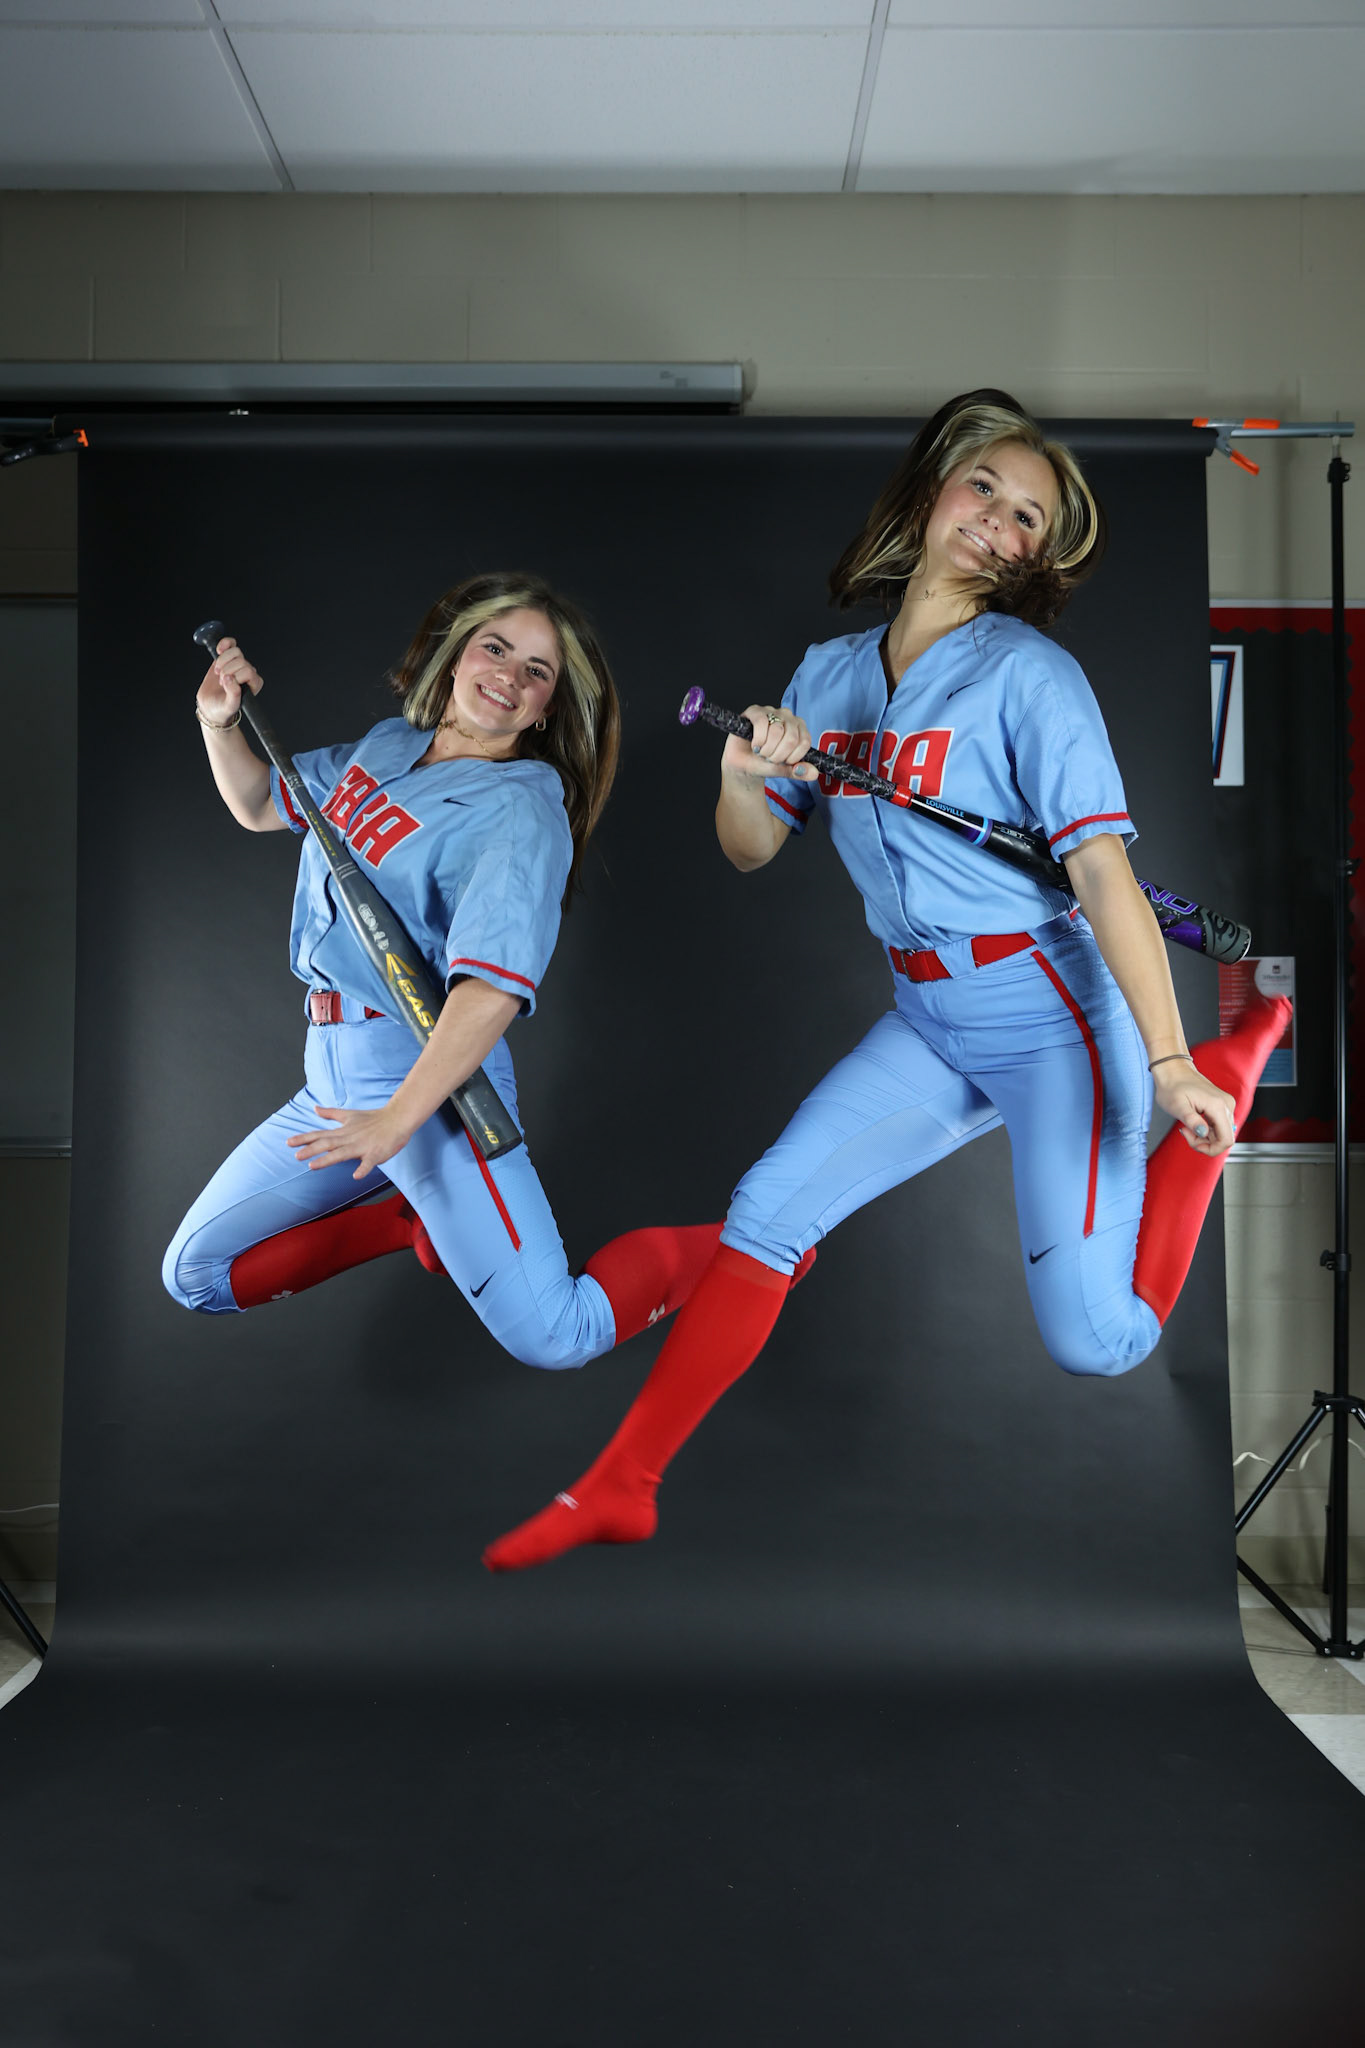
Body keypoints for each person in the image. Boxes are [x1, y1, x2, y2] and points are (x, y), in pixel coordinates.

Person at [483, 390, 1289, 1572]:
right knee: (767, 1208)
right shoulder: (831, 674)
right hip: (927, 1014)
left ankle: (1216, 1089)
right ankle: (622, 1480)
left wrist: (1168, 1060)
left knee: (1100, 1339)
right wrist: (746, 774)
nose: (1000, 524)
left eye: (1028, 519)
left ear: (1031, 557)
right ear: (931, 492)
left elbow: (1105, 873)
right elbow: (750, 847)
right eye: (986, 491)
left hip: (1055, 1013)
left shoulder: (1030, 677)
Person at [163, 571, 727, 1369]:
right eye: (495, 649)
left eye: (537, 672)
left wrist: (396, 1120)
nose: (508, 675)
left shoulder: (521, 811)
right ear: (458, 656)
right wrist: (217, 721)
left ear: (548, 708)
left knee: (556, 1337)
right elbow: (261, 805)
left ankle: (756, 1247)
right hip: (329, 1078)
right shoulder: (387, 745)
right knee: (195, 1274)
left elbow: (489, 991)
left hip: (429, 1087)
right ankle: (403, 1219)